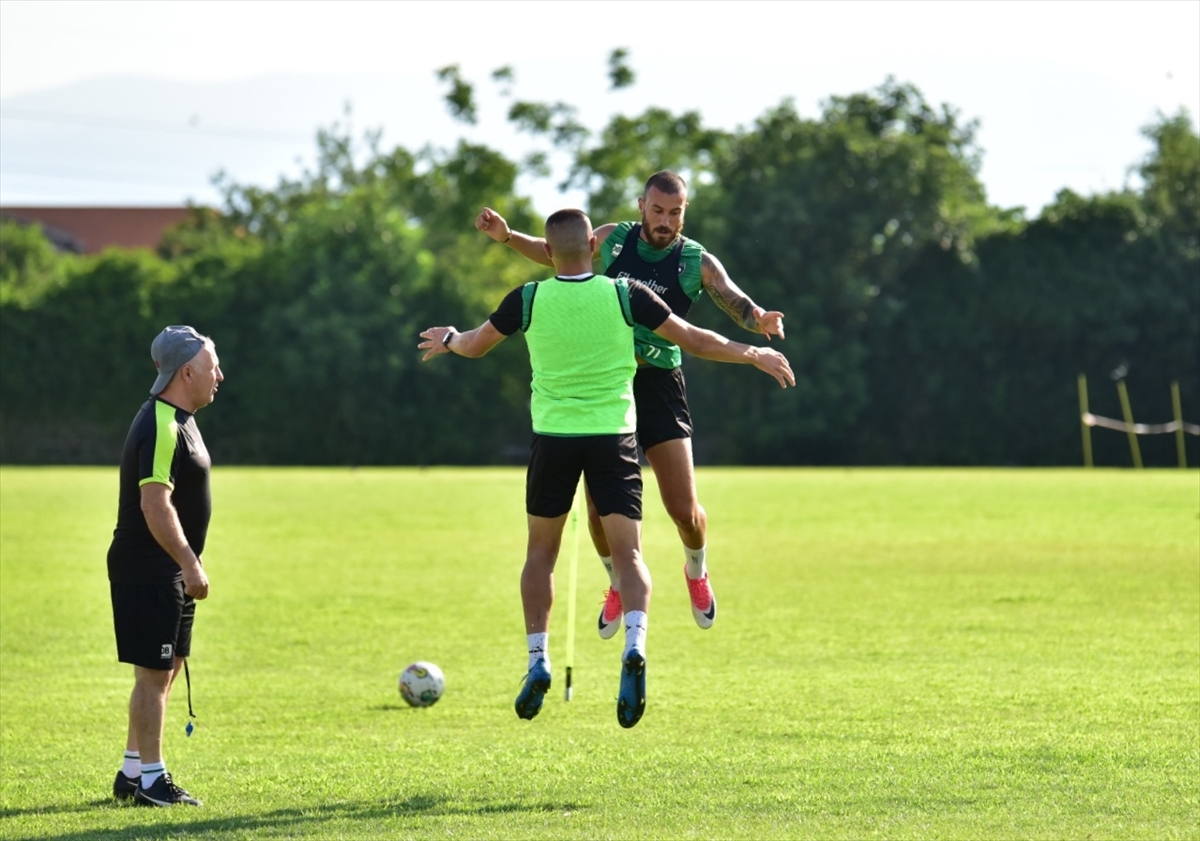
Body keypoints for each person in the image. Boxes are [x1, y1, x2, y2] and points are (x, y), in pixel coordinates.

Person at [420, 209, 793, 728]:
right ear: (593, 249)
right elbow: (694, 338)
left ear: (549, 253)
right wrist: (753, 353)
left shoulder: (527, 299)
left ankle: (537, 659)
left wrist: (450, 339)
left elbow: (476, 345)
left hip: (554, 439)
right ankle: (634, 645)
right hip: (611, 438)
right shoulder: (625, 296)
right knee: (630, 552)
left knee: (540, 555)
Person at [475, 171, 785, 641]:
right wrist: (507, 237)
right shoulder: (613, 240)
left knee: (683, 508)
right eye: (657, 211)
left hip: (659, 382)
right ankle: (617, 582)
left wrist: (757, 318)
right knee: (599, 514)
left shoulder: (694, 260)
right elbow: (559, 251)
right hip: (606, 385)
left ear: (684, 211)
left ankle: (696, 570)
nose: (665, 221)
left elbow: (733, 299)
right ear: (642, 205)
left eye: (675, 213)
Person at [106, 325, 223, 806]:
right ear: (188, 370)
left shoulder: (181, 417)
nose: (220, 375)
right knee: (152, 675)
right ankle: (153, 782)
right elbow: (155, 504)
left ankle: (132, 773)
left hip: (168, 567)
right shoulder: (160, 422)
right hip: (149, 566)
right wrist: (190, 565)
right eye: (213, 366)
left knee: (168, 667)